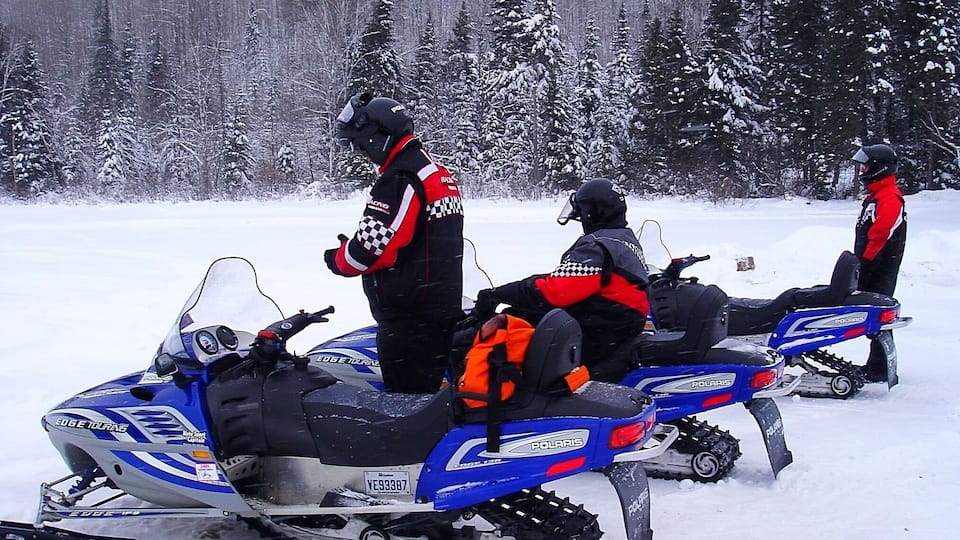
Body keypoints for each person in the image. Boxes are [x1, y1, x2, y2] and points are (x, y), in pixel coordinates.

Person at [325, 92, 464, 394]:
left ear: (378, 137)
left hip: (411, 320)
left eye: (361, 145)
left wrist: (337, 258)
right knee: (433, 404)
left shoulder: (402, 177)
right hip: (441, 310)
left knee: (406, 408)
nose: (364, 154)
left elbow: (370, 250)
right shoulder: (436, 171)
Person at [473, 178, 649, 383]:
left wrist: (499, 294)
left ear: (592, 212)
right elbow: (569, 280)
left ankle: (507, 391)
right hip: (615, 326)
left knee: (513, 326)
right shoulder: (623, 240)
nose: (581, 220)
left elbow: (555, 292)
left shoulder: (597, 247)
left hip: (600, 332)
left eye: (582, 213)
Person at [851, 143, 907, 382]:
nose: (863, 171)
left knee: (878, 315)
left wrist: (866, 263)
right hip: (872, 264)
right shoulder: (877, 195)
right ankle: (877, 364)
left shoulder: (889, 197)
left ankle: (879, 367)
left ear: (879, 168)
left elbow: (881, 234)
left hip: (879, 267)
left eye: (866, 167)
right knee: (874, 314)